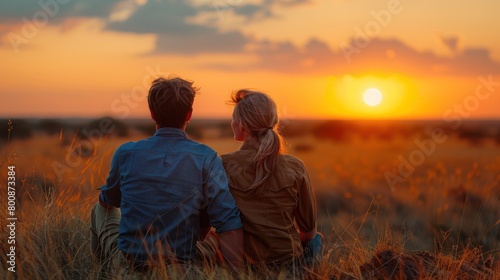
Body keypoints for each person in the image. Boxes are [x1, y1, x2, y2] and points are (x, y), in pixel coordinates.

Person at [90, 77, 244, 277]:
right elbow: (228, 221)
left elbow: (108, 201)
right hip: (182, 266)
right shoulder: (207, 158)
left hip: (130, 262)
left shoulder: (126, 153)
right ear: (189, 114)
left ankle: (106, 273)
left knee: (99, 209)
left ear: (153, 114)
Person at [221, 90, 322, 273]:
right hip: (290, 265)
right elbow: (308, 233)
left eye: (234, 118)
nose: (232, 123)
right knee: (317, 239)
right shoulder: (295, 167)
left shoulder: (223, 165)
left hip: (244, 266)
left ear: (242, 126)